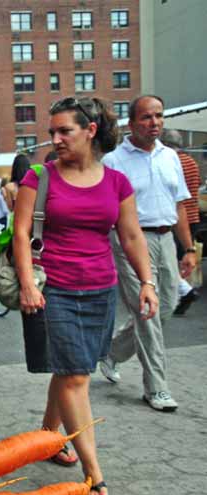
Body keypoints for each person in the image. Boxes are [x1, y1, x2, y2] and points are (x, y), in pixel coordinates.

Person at [14, 96, 157, 495]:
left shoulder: (116, 182)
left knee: (73, 368)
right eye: (52, 132)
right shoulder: (39, 178)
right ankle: (94, 475)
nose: (55, 139)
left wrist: (147, 282)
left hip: (100, 289)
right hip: (54, 287)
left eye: (65, 131)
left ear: (90, 131)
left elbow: (131, 236)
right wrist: (28, 282)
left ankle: (47, 435)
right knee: (77, 376)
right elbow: (22, 233)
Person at [98, 96, 197, 412]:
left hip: (166, 239)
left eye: (158, 116)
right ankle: (157, 388)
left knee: (166, 306)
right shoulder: (114, 160)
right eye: (146, 117)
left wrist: (189, 248)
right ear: (131, 124)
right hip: (130, 241)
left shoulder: (171, 157)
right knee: (148, 312)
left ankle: (112, 351)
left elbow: (180, 205)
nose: (154, 123)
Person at [160, 129, 201, 316]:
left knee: (171, 261)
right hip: (193, 215)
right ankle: (184, 291)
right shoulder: (191, 162)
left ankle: (183, 293)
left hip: (179, 218)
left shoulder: (172, 161)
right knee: (180, 259)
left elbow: (174, 195)